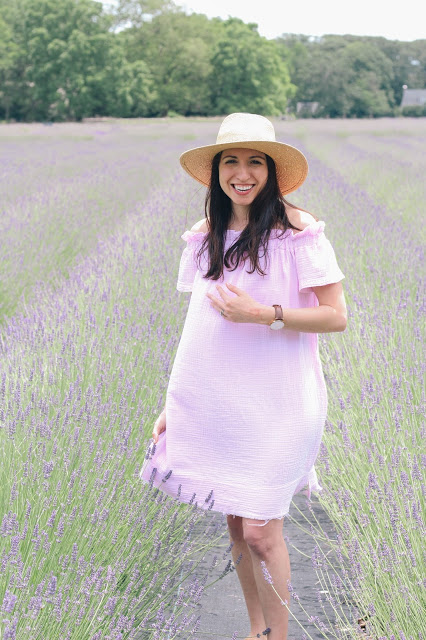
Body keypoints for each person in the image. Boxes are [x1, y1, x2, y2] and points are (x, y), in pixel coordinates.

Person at [140, 113, 347, 640]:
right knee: (235, 521)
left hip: (281, 400)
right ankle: (256, 631)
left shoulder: (299, 231)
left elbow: (336, 316)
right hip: (216, 394)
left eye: (256, 162)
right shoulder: (206, 235)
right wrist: (173, 403)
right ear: (216, 172)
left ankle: (277, 636)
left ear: (273, 172)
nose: (242, 172)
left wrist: (265, 314)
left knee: (260, 528)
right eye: (231, 161)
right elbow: (198, 330)